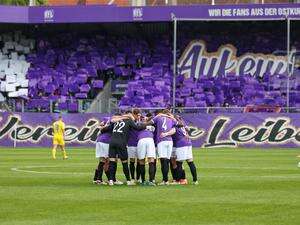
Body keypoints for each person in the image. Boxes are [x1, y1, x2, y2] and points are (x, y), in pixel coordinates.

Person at [101, 112, 148, 186]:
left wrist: (102, 129)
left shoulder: (116, 121)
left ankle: (111, 180)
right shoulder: (129, 121)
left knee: (112, 162)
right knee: (124, 162)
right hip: (121, 142)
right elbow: (137, 128)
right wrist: (145, 125)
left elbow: (107, 128)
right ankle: (129, 181)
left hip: (112, 142)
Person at [161, 115, 198, 185]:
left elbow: (173, 130)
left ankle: (178, 181)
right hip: (188, 142)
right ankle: (195, 180)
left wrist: (165, 134)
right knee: (190, 162)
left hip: (181, 144)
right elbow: (188, 129)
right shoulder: (182, 124)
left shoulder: (176, 125)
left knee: (179, 163)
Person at [152, 109, 178, 185]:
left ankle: (165, 180)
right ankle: (166, 180)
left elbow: (152, 121)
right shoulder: (171, 119)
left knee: (163, 161)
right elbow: (175, 128)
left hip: (161, 140)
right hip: (170, 141)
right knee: (167, 160)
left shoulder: (158, 117)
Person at [137, 113, 156, 185]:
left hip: (142, 140)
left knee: (142, 161)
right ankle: (150, 181)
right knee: (150, 160)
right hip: (150, 140)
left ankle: (143, 180)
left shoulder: (139, 124)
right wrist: (147, 120)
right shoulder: (151, 125)